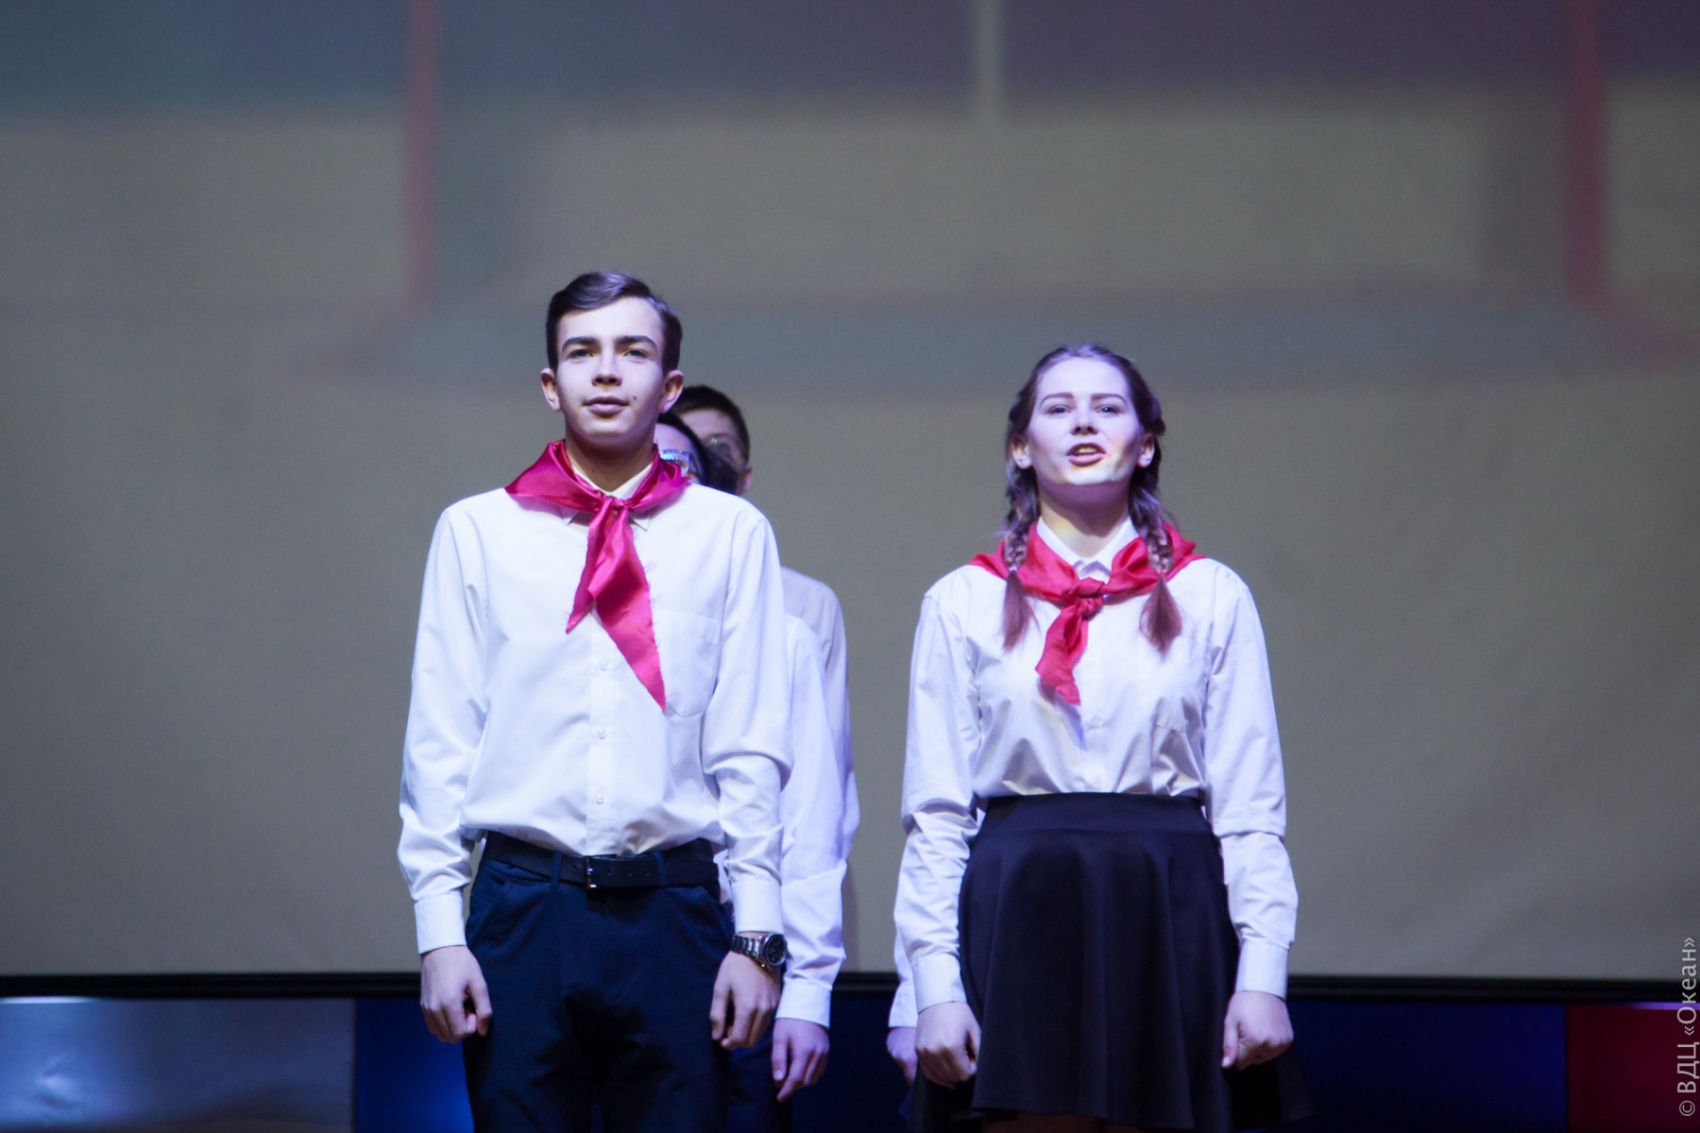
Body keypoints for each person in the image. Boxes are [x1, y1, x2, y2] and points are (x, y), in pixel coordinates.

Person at [398, 272, 793, 1133]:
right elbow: (441, 739)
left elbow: (751, 745)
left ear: (670, 385)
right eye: (582, 352)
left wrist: (758, 933)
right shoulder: (479, 530)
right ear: (551, 383)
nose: (607, 371)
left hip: (675, 907)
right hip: (523, 906)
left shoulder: (730, 534)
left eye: (633, 352)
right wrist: (439, 930)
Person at [894, 344, 1310, 1132]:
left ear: (1145, 443)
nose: (1084, 422)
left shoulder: (1209, 594)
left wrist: (1263, 971)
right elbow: (936, 813)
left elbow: (1251, 805)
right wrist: (934, 984)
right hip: (1022, 906)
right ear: (1022, 446)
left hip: (1166, 904)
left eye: (1108, 407)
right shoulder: (963, 600)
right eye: (1058, 408)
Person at [673, 385, 859, 1126]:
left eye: (714, 452)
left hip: (747, 915)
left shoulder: (794, 618)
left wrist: (806, 981)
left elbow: (816, 795)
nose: (695, 468)